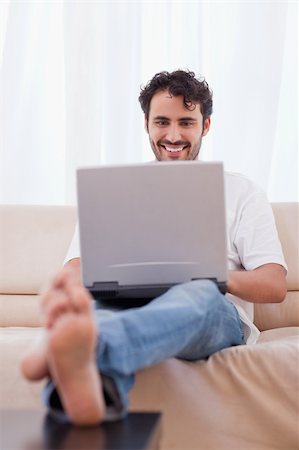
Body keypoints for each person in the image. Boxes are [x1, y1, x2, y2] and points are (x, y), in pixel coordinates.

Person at [20, 70, 287, 426]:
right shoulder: (116, 190)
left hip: (209, 307)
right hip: (125, 301)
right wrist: (68, 289)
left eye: (186, 122)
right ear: (146, 123)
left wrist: (213, 276)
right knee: (98, 310)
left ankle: (82, 348)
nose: (173, 135)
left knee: (198, 293)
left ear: (205, 126)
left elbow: (274, 285)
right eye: (162, 121)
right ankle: (87, 391)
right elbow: (75, 267)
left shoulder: (241, 192)